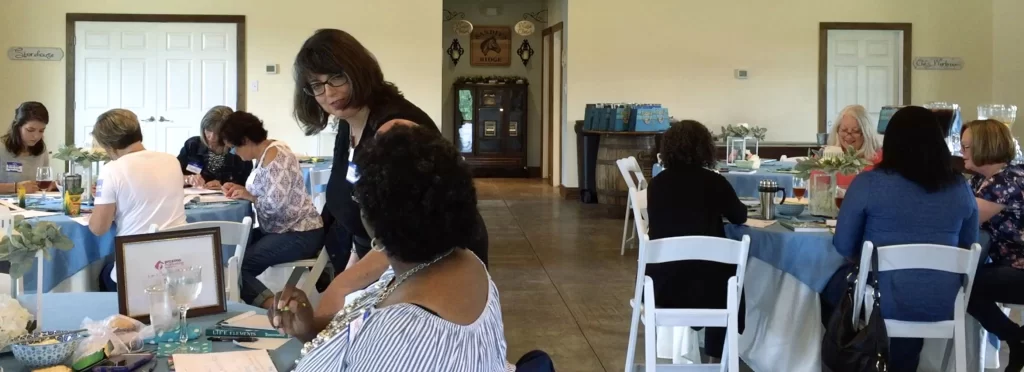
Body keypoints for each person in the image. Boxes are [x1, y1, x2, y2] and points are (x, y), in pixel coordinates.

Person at [291, 29, 489, 326]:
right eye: (317, 85)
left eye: (336, 78)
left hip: (435, 273)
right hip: (391, 264)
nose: (329, 93)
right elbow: (360, 215)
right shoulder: (348, 124)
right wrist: (349, 274)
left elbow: (405, 235)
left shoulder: (394, 130)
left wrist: (342, 285)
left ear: (358, 71)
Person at [274, 125, 509, 371]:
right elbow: (359, 324)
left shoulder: (402, 333)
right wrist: (311, 327)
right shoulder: (462, 263)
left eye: (359, 198)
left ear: (376, 217)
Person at [822, 106, 978, 372]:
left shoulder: (869, 183)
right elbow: (968, 244)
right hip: (943, 299)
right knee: (912, 286)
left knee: (828, 288)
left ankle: (857, 360)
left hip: (882, 299)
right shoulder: (960, 187)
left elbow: (843, 245)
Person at [646, 120, 747, 362]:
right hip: (711, 291)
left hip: (662, 288)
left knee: (711, 274)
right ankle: (716, 360)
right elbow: (740, 215)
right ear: (705, 149)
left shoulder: (657, 185)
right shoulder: (714, 182)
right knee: (726, 277)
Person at [217, 111, 324, 309]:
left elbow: (276, 207)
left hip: (299, 233)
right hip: (283, 230)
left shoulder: (277, 157)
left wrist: (249, 196)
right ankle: (268, 305)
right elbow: (268, 193)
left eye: (233, 148)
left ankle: (277, 311)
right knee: (230, 255)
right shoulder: (266, 154)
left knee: (241, 266)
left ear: (246, 140)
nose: (234, 154)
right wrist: (242, 190)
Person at [89, 109, 187, 290]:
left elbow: (98, 228)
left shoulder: (112, 169)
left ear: (109, 145)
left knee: (102, 274)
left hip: (136, 268)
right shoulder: (171, 161)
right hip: (176, 261)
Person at [961, 119, 1024, 369]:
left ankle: (1015, 337)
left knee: (964, 283)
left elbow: (964, 220)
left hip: (1020, 270)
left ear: (983, 147)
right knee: (965, 281)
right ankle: (1016, 339)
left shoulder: (1006, 182)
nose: (961, 153)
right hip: (1008, 266)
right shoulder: (982, 181)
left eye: (966, 147)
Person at [177, 106, 253, 189]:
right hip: (193, 197)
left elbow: (247, 185)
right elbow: (172, 176)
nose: (212, 137)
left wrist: (224, 185)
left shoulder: (240, 151)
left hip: (228, 199)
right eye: (208, 130)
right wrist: (187, 179)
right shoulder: (192, 145)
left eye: (217, 132)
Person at [0, 102, 51, 194]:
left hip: (32, 204)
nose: (36, 136)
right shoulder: (1, 148)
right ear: (17, 127)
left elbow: (41, 184)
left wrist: (52, 185)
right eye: (30, 130)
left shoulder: (42, 151)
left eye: (41, 131)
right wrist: (16, 187)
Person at [826, 104, 882, 187]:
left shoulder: (880, 160)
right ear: (837, 131)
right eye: (844, 130)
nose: (848, 136)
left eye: (855, 131)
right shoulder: (825, 156)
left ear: (866, 134)